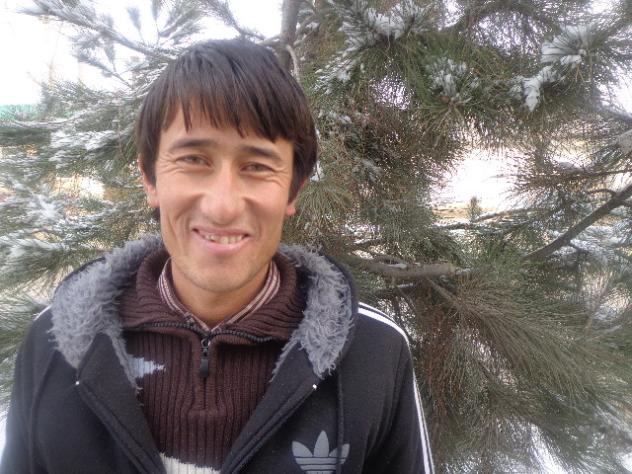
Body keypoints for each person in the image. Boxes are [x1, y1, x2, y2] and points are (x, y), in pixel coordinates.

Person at [1, 39, 434, 474]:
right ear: (150, 178)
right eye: (194, 159)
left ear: (293, 190)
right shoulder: (52, 344)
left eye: (257, 166)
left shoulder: (374, 353)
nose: (222, 206)